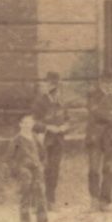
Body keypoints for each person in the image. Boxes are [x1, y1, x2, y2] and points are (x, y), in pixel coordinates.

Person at [85, 71, 112, 212]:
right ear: (101, 82)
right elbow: (96, 113)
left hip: (111, 139)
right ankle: (94, 199)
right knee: (94, 169)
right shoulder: (92, 96)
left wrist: (110, 116)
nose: (109, 86)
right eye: (107, 83)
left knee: (109, 170)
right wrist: (110, 115)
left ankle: (105, 201)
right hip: (95, 138)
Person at [9, 115, 53, 222]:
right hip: (24, 171)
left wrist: (41, 165)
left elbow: (42, 153)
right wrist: (18, 171)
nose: (28, 126)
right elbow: (10, 159)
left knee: (41, 198)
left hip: (37, 170)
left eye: (30, 123)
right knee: (25, 198)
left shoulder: (34, 138)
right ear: (20, 124)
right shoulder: (16, 140)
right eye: (25, 123)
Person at [32, 72, 70, 210]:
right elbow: (33, 123)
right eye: (50, 84)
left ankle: (50, 201)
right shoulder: (39, 102)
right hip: (43, 141)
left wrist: (65, 127)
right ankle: (37, 202)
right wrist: (49, 128)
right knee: (41, 171)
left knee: (54, 171)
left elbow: (67, 119)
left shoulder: (61, 102)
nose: (54, 88)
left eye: (56, 85)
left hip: (58, 141)